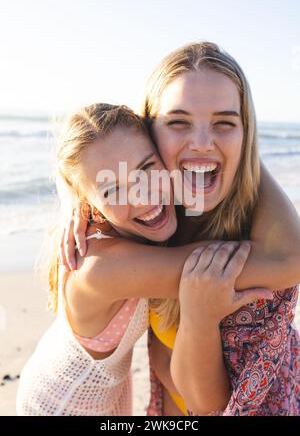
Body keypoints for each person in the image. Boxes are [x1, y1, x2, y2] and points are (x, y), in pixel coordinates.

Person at [60, 43, 300, 416]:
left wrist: (242, 151)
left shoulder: (177, 224)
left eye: (225, 123)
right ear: (149, 131)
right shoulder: (121, 242)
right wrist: (75, 196)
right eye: (177, 122)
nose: (203, 144)